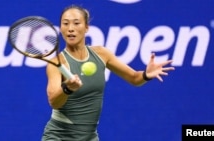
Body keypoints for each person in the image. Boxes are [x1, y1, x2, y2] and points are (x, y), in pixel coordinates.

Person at [41, 4, 175, 141]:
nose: (70, 29)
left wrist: (146, 75)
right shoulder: (56, 63)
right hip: (59, 136)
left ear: (87, 27)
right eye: (65, 24)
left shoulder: (101, 54)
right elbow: (54, 102)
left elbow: (134, 78)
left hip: (89, 137)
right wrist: (67, 88)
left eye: (76, 23)